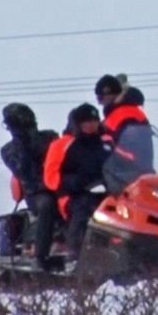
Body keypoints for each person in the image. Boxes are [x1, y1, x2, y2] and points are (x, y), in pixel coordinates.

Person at [43, 103, 113, 267]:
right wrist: (75, 182)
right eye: (86, 122)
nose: (91, 125)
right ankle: (75, 254)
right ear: (77, 124)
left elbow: (122, 164)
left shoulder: (106, 144)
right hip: (73, 195)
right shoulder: (64, 145)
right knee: (84, 209)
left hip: (106, 191)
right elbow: (51, 177)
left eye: (94, 121)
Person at [0, 103, 61, 268]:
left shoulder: (50, 137)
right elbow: (22, 170)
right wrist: (23, 142)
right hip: (36, 191)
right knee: (47, 205)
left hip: (61, 185)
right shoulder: (9, 150)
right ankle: (42, 255)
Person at [95, 74, 150, 142]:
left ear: (111, 95)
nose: (99, 103)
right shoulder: (115, 113)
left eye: (100, 98)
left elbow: (131, 143)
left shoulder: (126, 113)